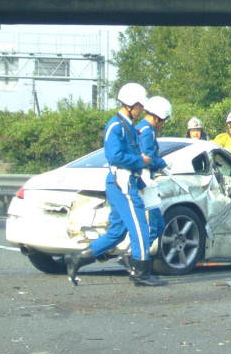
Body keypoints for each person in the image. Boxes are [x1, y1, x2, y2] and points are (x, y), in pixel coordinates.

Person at [64, 83, 167, 287]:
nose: (141, 110)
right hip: (121, 181)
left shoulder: (127, 125)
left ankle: (77, 259)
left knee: (117, 232)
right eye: (140, 106)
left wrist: (138, 181)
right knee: (140, 227)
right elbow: (115, 156)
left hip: (127, 180)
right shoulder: (116, 125)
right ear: (130, 104)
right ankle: (141, 273)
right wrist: (142, 162)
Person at [137, 96, 171, 248]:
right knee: (155, 226)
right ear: (157, 118)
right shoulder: (147, 131)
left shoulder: (143, 128)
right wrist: (163, 162)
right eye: (164, 120)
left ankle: (135, 255)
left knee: (154, 225)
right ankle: (135, 256)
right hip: (144, 180)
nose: (163, 124)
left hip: (143, 179)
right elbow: (148, 158)